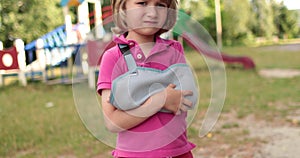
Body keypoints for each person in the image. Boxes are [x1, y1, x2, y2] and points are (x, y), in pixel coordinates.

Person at [97, 0, 198, 157]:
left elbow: (185, 100)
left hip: (178, 152)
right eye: (142, 3)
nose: (152, 12)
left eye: (160, 5)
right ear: (123, 7)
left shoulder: (174, 50)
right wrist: (160, 100)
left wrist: (137, 100)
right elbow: (112, 122)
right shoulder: (112, 57)